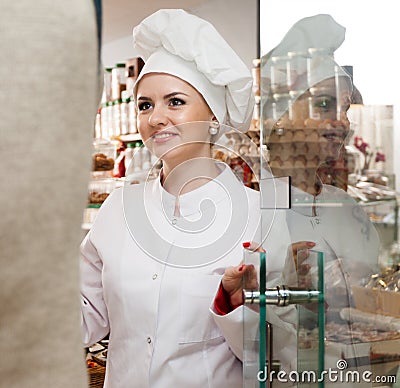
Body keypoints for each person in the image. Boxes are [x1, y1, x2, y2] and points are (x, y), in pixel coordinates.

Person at [80, 9, 262, 387]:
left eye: (175, 102)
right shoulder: (118, 210)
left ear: (214, 117)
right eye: (145, 105)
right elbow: (84, 317)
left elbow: (273, 355)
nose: (156, 118)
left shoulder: (257, 215)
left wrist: (234, 303)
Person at [257, 14, 380, 384]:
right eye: (325, 105)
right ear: (278, 116)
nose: (342, 122)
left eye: (344, 109)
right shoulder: (250, 205)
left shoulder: (347, 207)